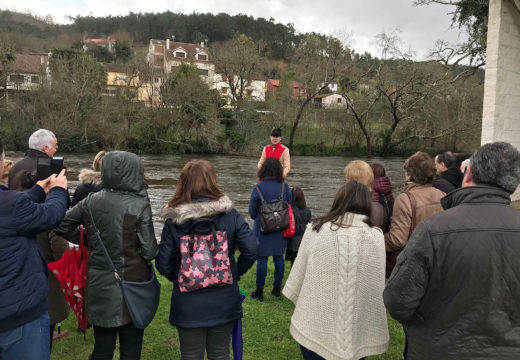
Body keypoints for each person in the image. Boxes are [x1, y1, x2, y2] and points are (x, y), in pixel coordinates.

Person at [384, 142, 520, 360]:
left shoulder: (433, 230)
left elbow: (397, 301)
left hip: (437, 350)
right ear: (513, 185)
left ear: (468, 174)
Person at [54, 151, 158, 360]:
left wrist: (88, 239)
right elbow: (149, 251)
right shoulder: (140, 204)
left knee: (102, 348)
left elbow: (60, 224)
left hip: (99, 283)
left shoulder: (91, 200)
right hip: (133, 283)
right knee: (131, 349)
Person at [156, 159, 258, 360]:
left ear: (183, 183)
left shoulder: (173, 221)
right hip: (224, 300)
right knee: (220, 353)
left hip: (188, 304)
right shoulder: (231, 215)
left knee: (190, 355)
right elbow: (252, 249)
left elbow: (163, 263)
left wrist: (182, 277)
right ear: (212, 181)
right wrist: (233, 271)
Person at [283, 181, 389, 360]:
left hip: (314, 326)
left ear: (338, 200)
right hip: (358, 332)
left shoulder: (315, 229)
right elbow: (377, 286)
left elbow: (297, 279)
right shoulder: (376, 236)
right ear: (367, 204)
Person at [0, 137, 69, 360]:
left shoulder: (15, 177)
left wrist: (38, 190)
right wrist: (58, 190)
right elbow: (52, 215)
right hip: (17, 316)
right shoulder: (11, 205)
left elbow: (12, 206)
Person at [17, 170, 71, 350]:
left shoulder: (13, 211)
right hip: (45, 281)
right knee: (43, 337)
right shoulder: (46, 216)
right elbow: (61, 251)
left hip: (18, 285)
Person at [384, 152, 445, 278]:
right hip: (437, 263)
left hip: (412, 267)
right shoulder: (443, 195)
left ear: (410, 173)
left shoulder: (405, 199)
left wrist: (377, 239)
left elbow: (397, 240)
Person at [249, 157, 292, 301]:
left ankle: (259, 291)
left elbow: (252, 213)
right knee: (279, 257)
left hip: (262, 228)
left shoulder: (257, 188)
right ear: (279, 170)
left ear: (263, 170)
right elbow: (289, 206)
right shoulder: (284, 187)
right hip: (280, 228)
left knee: (262, 259)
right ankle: (276, 289)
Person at [344, 160, 387, 232]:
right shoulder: (377, 206)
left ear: (353, 184)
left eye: (346, 180)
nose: (345, 184)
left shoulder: (371, 209)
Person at [285, 187, 311, 268]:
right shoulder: (307, 211)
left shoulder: (290, 211)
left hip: (293, 242)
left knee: (293, 264)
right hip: (304, 241)